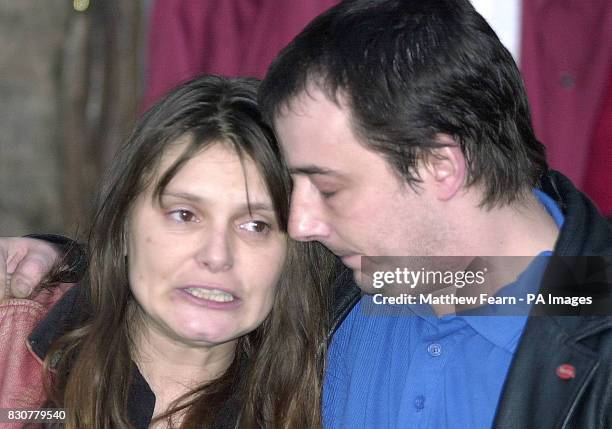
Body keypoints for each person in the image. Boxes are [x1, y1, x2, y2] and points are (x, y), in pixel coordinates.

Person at [2, 0, 612, 427]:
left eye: (328, 187)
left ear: (438, 166)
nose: (303, 225)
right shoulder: (375, 282)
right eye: (183, 215)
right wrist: (64, 260)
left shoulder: (581, 323)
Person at [0, 75, 335, 428]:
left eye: (255, 225)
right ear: (123, 226)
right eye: (184, 215)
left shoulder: (329, 394)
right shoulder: (11, 345)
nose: (217, 255)